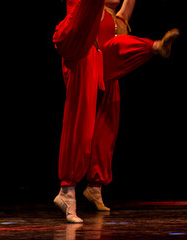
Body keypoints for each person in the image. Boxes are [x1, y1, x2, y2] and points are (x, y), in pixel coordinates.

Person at [53, 0, 177, 223]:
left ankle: (94, 188)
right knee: (80, 123)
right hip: (82, 55)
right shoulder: (92, 10)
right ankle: (67, 192)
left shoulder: (118, 19)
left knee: (104, 130)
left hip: (106, 68)